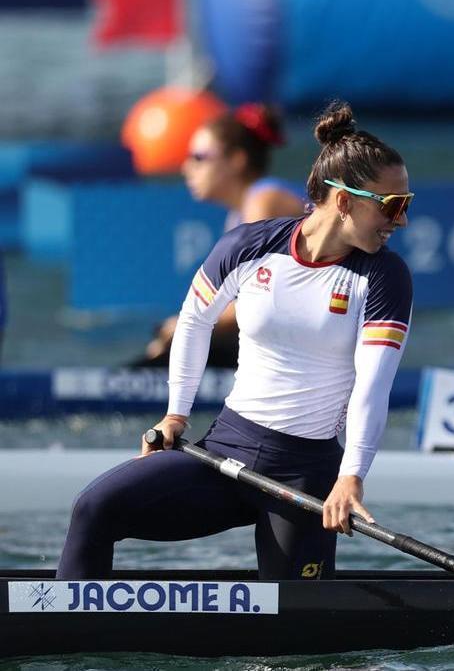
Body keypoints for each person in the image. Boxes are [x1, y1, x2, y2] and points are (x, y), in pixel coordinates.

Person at [58, 100, 414, 580]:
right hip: (225, 451)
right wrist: (176, 415)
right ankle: (78, 634)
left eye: (405, 205)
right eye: (392, 206)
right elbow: (193, 321)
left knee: (296, 645)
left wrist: (351, 477)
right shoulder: (250, 245)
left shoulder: (384, 276)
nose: (401, 221)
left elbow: (373, 386)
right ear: (345, 200)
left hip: (304, 475)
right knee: (93, 509)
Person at [138, 103, 308, 368]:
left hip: (314, 341)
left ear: (236, 161)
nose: (186, 168)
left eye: (198, 157)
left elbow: (260, 300)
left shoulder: (264, 200)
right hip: (294, 335)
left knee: (175, 347)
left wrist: (185, 325)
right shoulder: (239, 215)